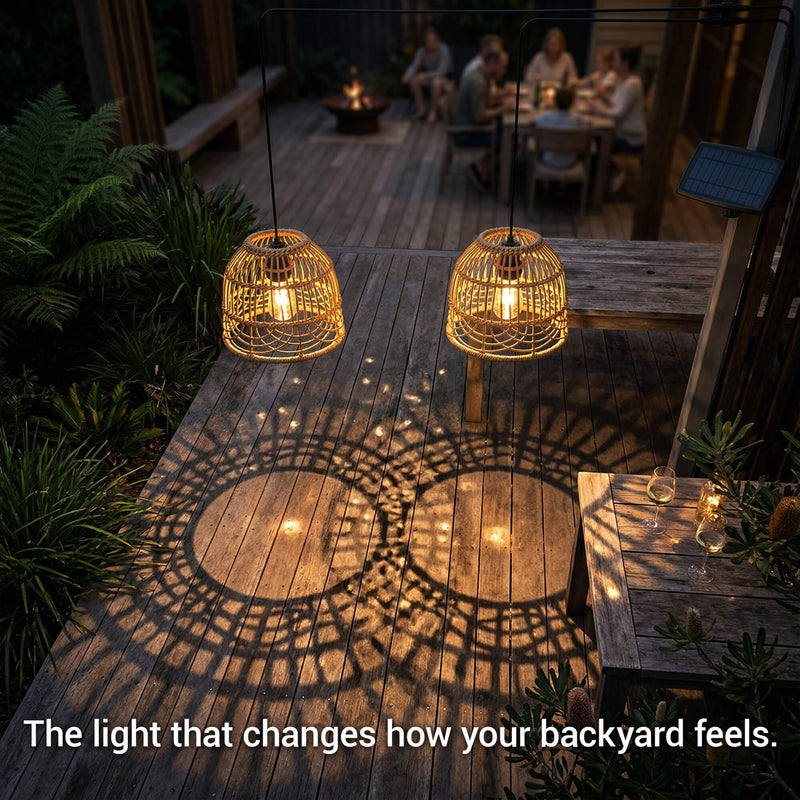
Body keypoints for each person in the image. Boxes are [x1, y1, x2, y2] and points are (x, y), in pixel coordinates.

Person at [453, 49, 515, 190]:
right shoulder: (478, 83)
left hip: (473, 125)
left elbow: (483, 103)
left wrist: (501, 100)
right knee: (508, 141)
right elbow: (480, 117)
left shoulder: (483, 76)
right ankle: (483, 172)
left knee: (511, 134)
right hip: (466, 133)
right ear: (492, 64)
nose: (504, 71)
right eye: (502, 66)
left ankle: (484, 165)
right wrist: (503, 109)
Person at [587, 44, 646, 191]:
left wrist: (597, 108)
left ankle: (614, 172)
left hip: (631, 137)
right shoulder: (623, 81)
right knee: (592, 140)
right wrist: (603, 97)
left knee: (594, 143)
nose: (613, 63)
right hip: (620, 131)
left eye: (616, 60)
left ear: (625, 64)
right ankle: (597, 177)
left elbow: (618, 113)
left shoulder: (633, 85)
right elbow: (616, 102)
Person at [402, 27, 454, 123]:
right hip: (430, 78)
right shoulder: (422, 51)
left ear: (437, 40)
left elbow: (442, 71)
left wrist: (425, 75)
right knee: (414, 80)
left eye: (431, 40)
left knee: (436, 83)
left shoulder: (444, 51)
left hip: (445, 79)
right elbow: (414, 65)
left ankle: (433, 112)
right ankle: (421, 110)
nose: (428, 43)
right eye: (427, 40)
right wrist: (407, 74)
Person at [535, 88, 590, 169]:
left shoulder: (548, 117)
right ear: (572, 103)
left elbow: (532, 122)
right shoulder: (577, 119)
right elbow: (589, 123)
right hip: (571, 161)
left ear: (554, 102)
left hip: (548, 160)